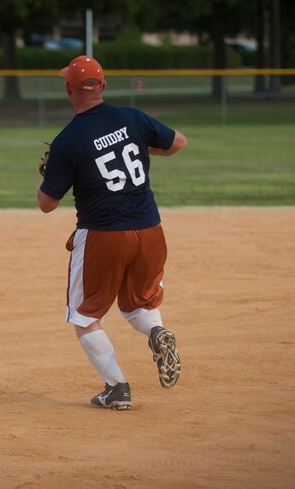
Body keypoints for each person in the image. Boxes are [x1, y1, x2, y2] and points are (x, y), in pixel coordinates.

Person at [36, 55, 188, 410]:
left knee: (85, 317)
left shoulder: (68, 140)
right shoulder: (132, 118)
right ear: (102, 86)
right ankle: (156, 332)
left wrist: (47, 175)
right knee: (138, 304)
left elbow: (47, 203)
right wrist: (131, 145)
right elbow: (178, 142)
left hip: (103, 234)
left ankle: (116, 387)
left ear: (68, 88)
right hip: (150, 228)